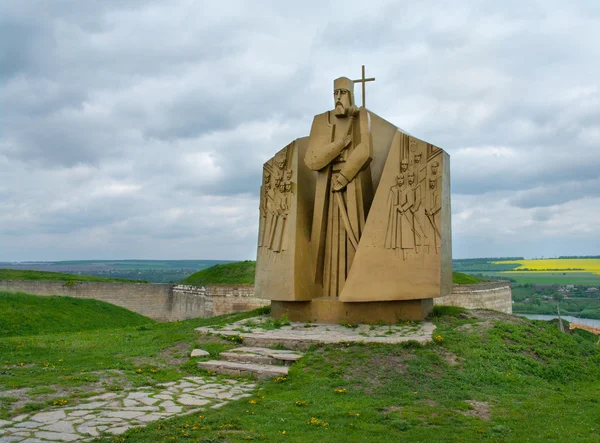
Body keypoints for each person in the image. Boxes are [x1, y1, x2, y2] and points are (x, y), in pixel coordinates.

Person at [304, 77, 373, 297]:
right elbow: (313, 160)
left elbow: (365, 149)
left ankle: (356, 289)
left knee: (352, 234)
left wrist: (343, 177)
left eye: (343, 93)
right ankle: (322, 291)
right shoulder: (321, 121)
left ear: (351, 94)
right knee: (324, 244)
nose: (338, 98)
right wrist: (339, 146)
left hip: (351, 184)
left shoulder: (361, 116)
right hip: (325, 187)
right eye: (335, 93)